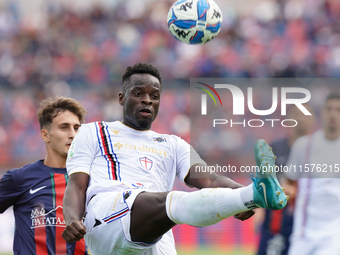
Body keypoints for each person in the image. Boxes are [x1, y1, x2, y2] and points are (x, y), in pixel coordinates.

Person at [62, 63, 288, 255]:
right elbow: (76, 184)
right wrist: (72, 218)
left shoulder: (173, 144)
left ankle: (252, 193)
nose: (147, 100)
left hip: (155, 233)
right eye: (138, 93)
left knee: (169, 204)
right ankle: (252, 194)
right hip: (106, 218)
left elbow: (209, 180)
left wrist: (240, 191)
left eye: (155, 96)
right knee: (172, 200)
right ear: (122, 98)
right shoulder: (93, 131)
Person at [0, 96, 88, 255]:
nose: (73, 134)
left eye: (77, 128)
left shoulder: (92, 179)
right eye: (64, 127)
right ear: (45, 135)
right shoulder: (19, 178)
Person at [284, 92, 340, 255]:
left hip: (334, 235)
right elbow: (288, 182)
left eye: (338, 110)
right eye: (329, 109)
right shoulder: (304, 146)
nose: (333, 114)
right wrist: (286, 191)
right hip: (303, 234)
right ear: (321, 113)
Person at [256, 104, 315, 255]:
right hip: (277, 223)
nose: (300, 118)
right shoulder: (276, 147)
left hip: (310, 224)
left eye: (305, 114)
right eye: (296, 114)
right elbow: (263, 181)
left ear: (313, 119)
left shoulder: (318, 149)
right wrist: (258, 210)